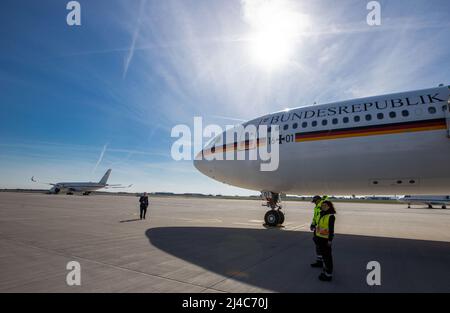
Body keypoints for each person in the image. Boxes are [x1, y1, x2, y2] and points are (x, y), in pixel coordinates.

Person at [314, 200, 336, 282]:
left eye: (325, 205)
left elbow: (331, 230)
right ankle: (325, 271)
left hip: (326, 240)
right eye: (322, 205)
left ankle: (328, 275)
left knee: (327, 257)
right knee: (324, 256)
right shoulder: (322, 214)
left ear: (329, 206)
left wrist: (330, 240)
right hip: (320, 238)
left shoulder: (330, 216)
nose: (323, 206)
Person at [310, 195, 328, 268]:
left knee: (322, 246)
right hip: (317, 228)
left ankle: (325, 263)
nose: (314, 203)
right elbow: (315, 217)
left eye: (315, 202)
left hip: (323, 228)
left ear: (318, 200)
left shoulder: (323, 205)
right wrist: (313, 224)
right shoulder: (317, 207)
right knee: (317, 245)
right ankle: (319, 261)